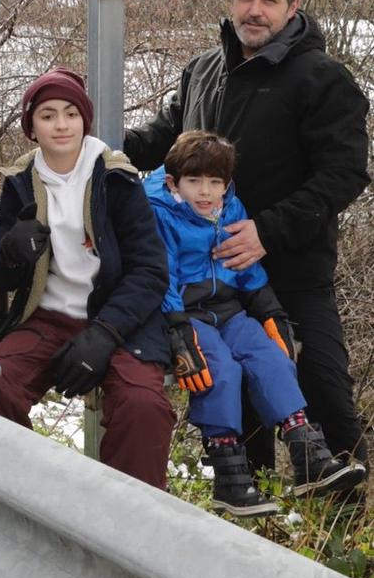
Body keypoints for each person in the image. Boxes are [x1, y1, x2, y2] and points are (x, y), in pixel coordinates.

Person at [125, 0, 370, 477]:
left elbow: (343, 174)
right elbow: (164, 142)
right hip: (213, 286)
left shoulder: (324, 79)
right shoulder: (203, 70)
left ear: (293, 7)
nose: (254, 10)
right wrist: (101, 149)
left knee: (325, 393)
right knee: (239, 411)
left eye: (268, 0)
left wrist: (266, 231)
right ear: (232, 2)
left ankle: (345, 528)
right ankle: (252, 518)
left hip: (294, 274)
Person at [144, 130, 365, 516]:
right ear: (173, 182)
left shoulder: (230, 209)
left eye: (215, 182)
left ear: (227, 185)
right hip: (188, 313)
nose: (205, 192)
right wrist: (176, 324)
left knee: (272, 355)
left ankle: (307, 453)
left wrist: (270, 311)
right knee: (221, 370)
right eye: (194, 181)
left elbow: (247, 269)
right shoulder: (161, 214)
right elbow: (161, 272)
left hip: (229, 309)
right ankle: (229, 470)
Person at [0, 68, 176, 489]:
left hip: (120, 322)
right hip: (48, 317)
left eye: (71, 113)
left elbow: (151, 269)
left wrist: (105, 333)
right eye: (48, 115)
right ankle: (33, 497)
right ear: (32, 126)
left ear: (85, 119)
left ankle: (131, 524)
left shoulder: (117, 177)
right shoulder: (21, 181)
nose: (61, 124)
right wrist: (12, 251)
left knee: (142, 407)